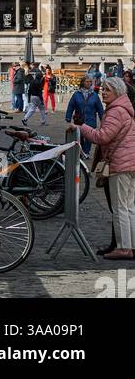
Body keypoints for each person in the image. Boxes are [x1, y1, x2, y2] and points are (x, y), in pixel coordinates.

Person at [73, 77, 135, 260]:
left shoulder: (116, 111)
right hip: (130, 163)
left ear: (117, 92)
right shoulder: (126, 109)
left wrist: (81, 127)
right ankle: (131, 246)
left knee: (120, 208)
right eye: (103, 90)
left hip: (121, 164)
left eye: (107, 90)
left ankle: (124, 247)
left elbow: (102, 137)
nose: (103, 93)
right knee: (129, 207)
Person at [67, 78, 95, 154]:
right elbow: (71, 106)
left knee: (89, 137)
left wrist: (103, 118)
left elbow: (99, 107)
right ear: (82, 82)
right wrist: (68, 117)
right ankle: (81, 150)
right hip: (79, 120)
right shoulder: (76, 94)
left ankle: (86, 152)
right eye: (87, 81)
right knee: (80, 136)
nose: (89, 83)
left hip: (90, 119)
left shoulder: (94, 95)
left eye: (90, 81)